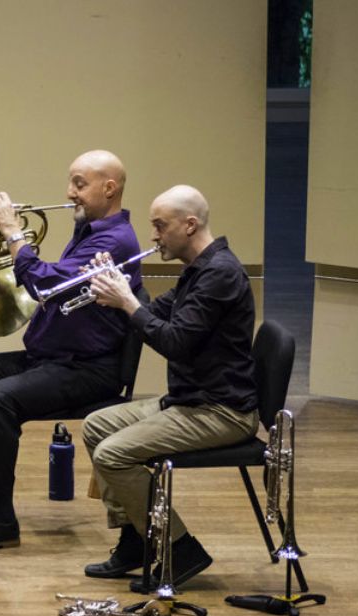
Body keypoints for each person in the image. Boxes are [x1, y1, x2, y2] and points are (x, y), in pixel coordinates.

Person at [0, 150, 143, 552]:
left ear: (110, 188)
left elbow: (49, 286)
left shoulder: (117, 240)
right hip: (54, 359)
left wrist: (13, 234)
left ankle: (0, 520)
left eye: (79, 183)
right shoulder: (91, 229)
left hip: (88, 369)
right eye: (71, 182)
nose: (69, 192)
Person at [82, 184, 257, 591]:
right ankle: (136, 541)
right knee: (96, 426)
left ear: (189, 224)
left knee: (112, 455)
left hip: (220, 410)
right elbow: (159, 312)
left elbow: (174, 341)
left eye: (160, 226)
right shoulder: (200, 269)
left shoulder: (220, 274)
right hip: (189, 401)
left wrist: (127, 302)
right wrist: (118, 286)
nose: (154, 236)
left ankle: (178, 550)